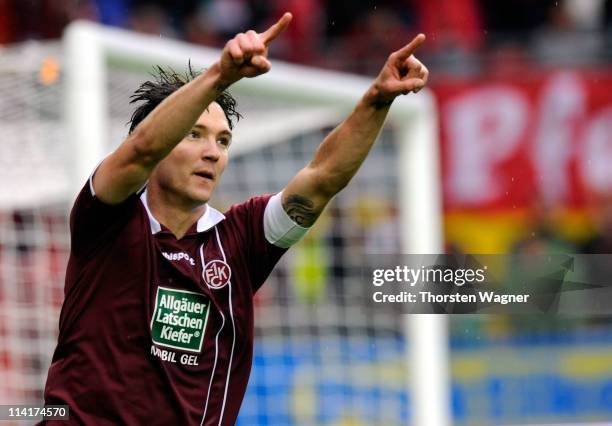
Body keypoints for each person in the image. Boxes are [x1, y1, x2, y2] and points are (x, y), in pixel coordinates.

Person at [42, 12, 428, 425]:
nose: (213, 152)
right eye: (194, 134)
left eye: (223, 141)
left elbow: (321, 179)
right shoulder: (107, 217)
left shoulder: (239, 240)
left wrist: (376, 99)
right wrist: (220, 75)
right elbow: (140, 150)